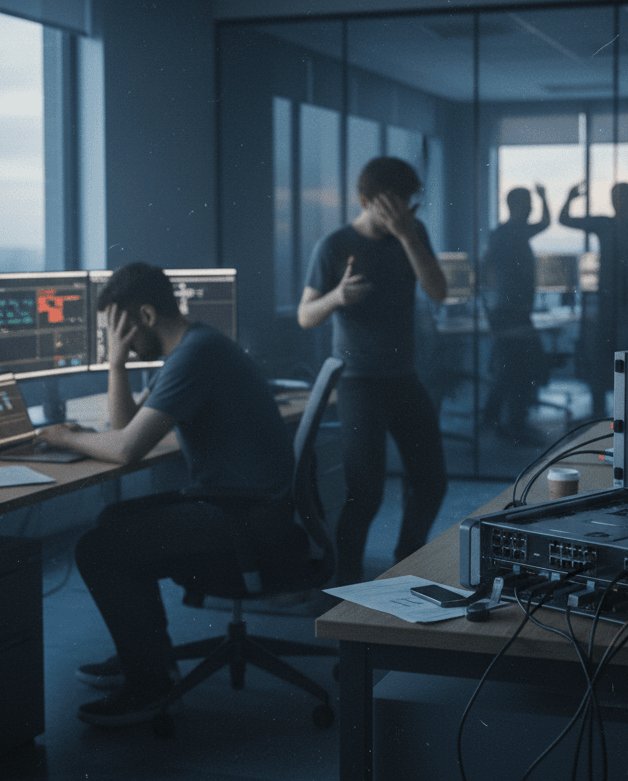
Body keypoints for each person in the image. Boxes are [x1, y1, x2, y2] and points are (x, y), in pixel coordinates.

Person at [36, 262, 296, 726]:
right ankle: (148, 661)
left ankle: (150, 686)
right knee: (115, 519)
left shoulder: (195, 355)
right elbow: (125, 428)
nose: (119, 341)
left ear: (147, 316)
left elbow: (126, 449)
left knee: (97, 550)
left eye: (120, 331)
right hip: (247, 507)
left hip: (245, 521)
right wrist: (117, 362)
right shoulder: (194, 346)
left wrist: (64, 437)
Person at [298, 156, 449, 586]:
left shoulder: (414, 233)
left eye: (407, 205)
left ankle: (406, 561)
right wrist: (337, 297)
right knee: (365, 493)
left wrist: (407, 236)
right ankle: (344, 582)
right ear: (366, 201)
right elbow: (305, 316)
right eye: (392, 207)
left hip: (403, 378)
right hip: (358, 383)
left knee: (432, 482)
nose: (402, 214)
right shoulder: (333, 245)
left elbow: (438, 292)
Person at [558, 182, 628, 416]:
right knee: (605, 358)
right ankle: (603, 411)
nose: (619, 201)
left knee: (627, 358)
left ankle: (625, 412)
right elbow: (565, 220)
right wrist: (569, 198)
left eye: (623, 196)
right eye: (616, 196)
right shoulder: (611, 225)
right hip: (611, 305)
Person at [481, 184, 551, 445]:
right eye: (528, 204)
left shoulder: (504, 233)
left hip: (508, 312)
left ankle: (494, 419)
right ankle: (514, 426)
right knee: (524, 368)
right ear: (515, 206)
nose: (531, 208)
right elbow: (545, 223)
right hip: (512, 313)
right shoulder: (512, 233)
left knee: (511, 369)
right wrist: (544, 198)